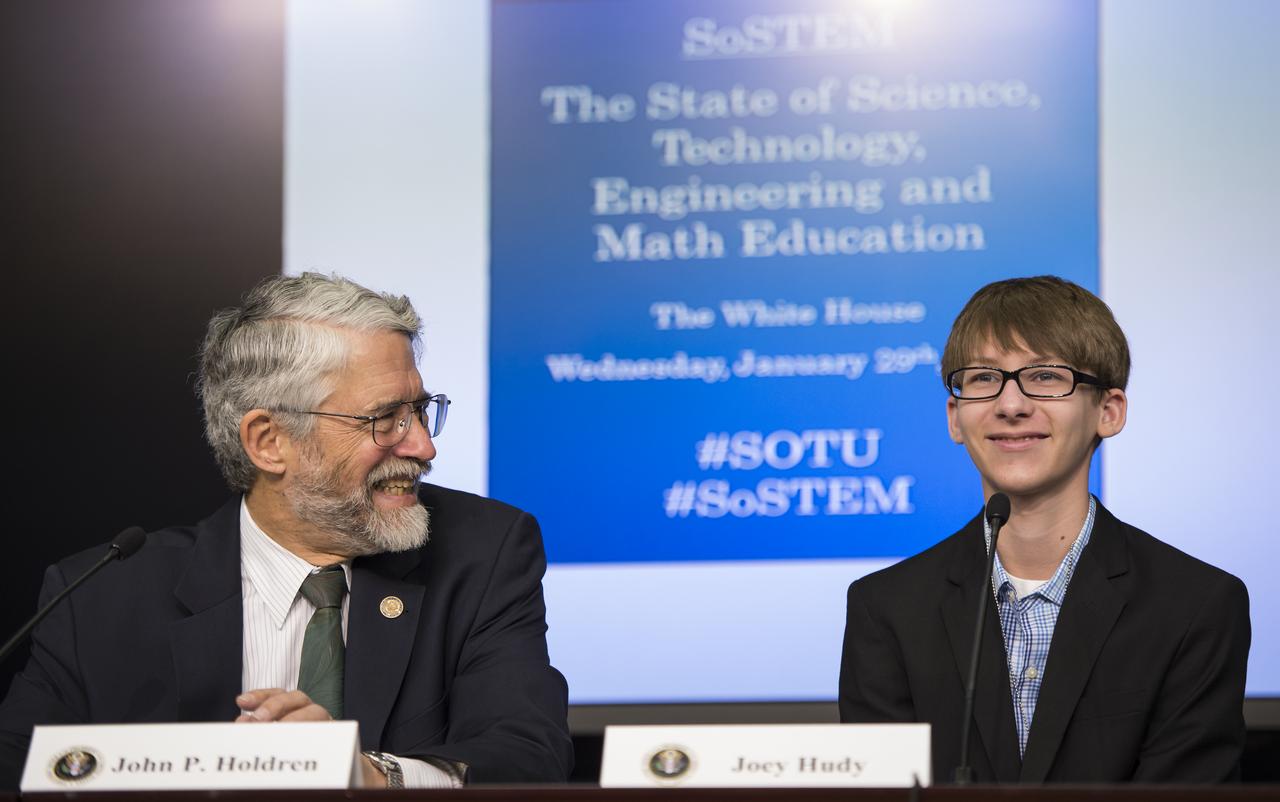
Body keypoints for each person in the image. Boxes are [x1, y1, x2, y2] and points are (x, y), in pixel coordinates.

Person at [0, 273, 572, 788]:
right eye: (385, 419)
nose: (423, 446)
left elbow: (528, 756)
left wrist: (371, 778)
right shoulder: (101, 598)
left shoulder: (483, 551)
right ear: (269, 442)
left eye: (421, 411)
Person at [839, 276, 1250, 783]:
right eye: (984, 378)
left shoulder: (1196, 605)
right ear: (955, 417)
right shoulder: (887, 609)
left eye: (1046, 376)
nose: (1011, 405)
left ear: (1109, 411)